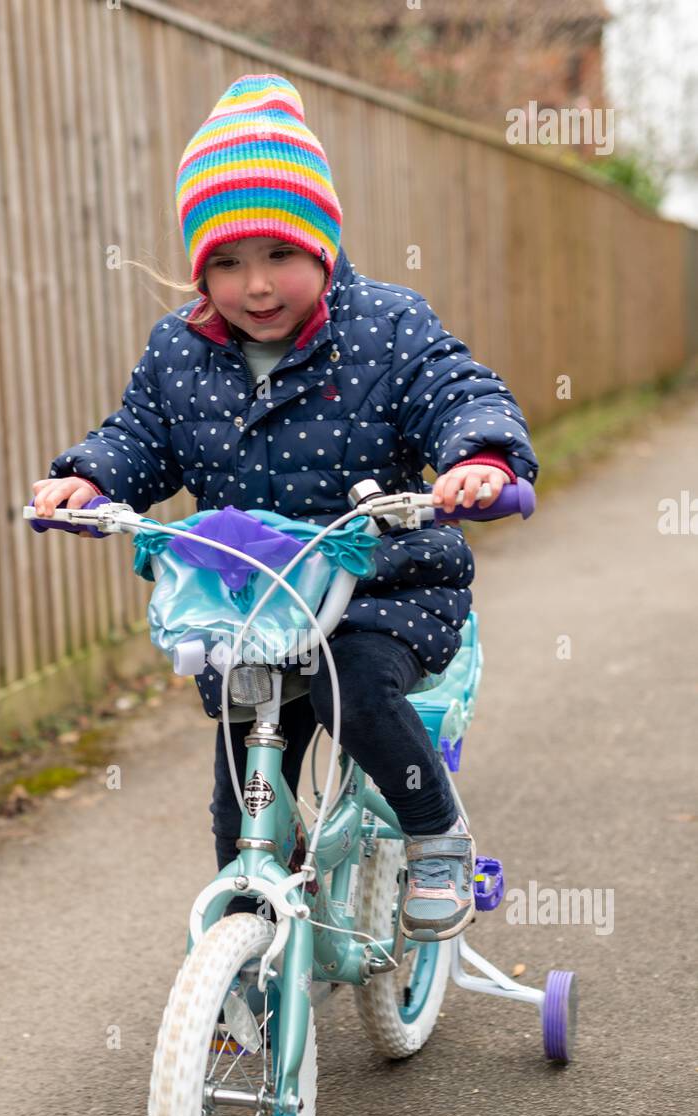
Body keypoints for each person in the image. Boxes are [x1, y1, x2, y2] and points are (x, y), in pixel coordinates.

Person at [32, 73, 539, 940]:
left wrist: (479, 459)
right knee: (241, 785)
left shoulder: (385, 325)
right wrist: (93, 477)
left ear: (322, 248)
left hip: (384, 584)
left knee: (357, 690)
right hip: (255, 601)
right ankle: (249, 939)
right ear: (199, 267)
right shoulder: (177, 350)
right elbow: (141, 434)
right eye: (225, 262)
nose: (254, 286)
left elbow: (456, 390)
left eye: (278, 255)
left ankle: (434, 833)